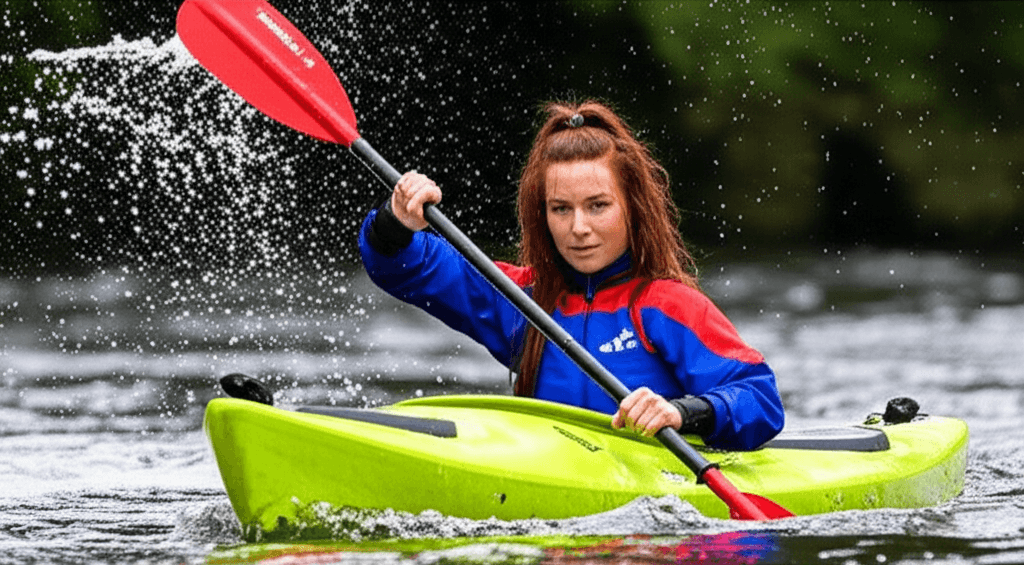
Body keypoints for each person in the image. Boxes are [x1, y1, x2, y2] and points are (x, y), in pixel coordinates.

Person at [359, 100, 783, 451]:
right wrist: (397, 219)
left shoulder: (667, 305)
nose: (578, 227)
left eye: (598, 206)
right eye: (561, 209)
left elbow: (760, 398)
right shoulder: (521, 301)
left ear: (632, 208)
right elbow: (401, 266)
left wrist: (682, 412)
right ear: (542, 214)